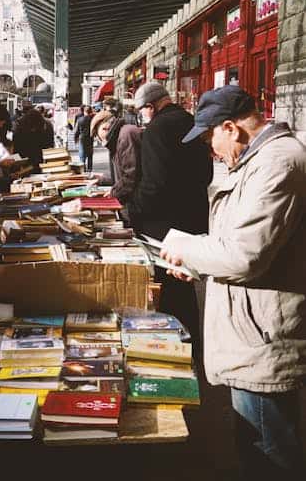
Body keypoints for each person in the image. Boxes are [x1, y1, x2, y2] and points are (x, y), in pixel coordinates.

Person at [160, 85, 306, 480]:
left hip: (261, 337)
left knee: (268, 448)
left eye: (211, 139)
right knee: (256, 442)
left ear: (231, 127)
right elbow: (235, 245)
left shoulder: (279, 162)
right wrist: (197, 261)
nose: (211, 150)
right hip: (250, 327)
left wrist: (187, 249)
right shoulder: (259, 161)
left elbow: (245, 255)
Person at [132, 82, 213, 353]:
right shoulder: (190, 121)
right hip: (192, 217)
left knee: (167, 287)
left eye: (141, 110)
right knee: (184, 284)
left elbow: (154, 184)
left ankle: (177, 348)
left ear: (150, 107)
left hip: (164, 224)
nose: (141, 116)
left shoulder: (157, 129)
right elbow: (206, 174)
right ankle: (193, 344)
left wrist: (133, 210)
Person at [90, 109, 143, 223]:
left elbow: (131, 175)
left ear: (104, 128)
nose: (98, 140)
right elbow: (123, 172)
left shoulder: (125, 135)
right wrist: (103, 180)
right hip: (135, 202)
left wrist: (114, 193)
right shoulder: (119, 136)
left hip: (139, 204)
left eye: (96, 135)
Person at [13, 108, 53, 173]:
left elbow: (49, 148)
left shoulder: (47, 127)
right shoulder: (20, 128)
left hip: (41, 159)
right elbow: (17, 149)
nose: (33, 130)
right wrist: (19, 165)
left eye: (35, 128)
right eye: (31, 128)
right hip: (25, 160)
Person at [74, 105, 94, 172]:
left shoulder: (80, 120)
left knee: (82, 155)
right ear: (90, 111)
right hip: (90, 138)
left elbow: (76, 131)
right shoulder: (93, 119)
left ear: (84, 111)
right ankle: (89, 169)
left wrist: (75, 138)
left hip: (82, 138)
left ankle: (83, 169)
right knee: (90, 155)